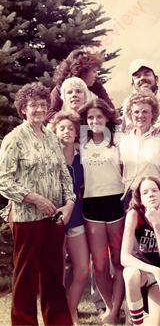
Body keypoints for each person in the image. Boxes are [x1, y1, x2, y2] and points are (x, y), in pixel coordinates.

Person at [0, 82, 75, 325]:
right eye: (33, 105)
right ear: (23, 109)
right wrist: (36, 199)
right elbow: (4, 181)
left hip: (54, 218)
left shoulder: (52, 138)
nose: (39, 109)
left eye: (43, 105)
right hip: (26, 219)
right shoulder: (14, 139)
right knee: (26, 276)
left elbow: (64, 173)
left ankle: (59, 321)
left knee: (53, 275)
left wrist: (69, 203)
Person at [78, 98, 125, 325]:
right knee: (99, 265)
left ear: (107, 118)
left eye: (99, 116)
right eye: (90, 118)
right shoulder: (82, 144)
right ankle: (110, 307)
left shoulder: (119, 141)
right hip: (92, 206)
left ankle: (115, 312)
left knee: (119, 261)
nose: (95, 121)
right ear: (85, 121)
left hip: (116, 203)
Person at [121, 176, 160, 326]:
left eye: (155, 190)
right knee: (130, 275)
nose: (151, 194)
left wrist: (157, 224)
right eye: (145, 192)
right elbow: (124, 257)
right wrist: (154, 270)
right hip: (141, 271)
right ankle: (137, 323)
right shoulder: (134, 214)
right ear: (140, 199)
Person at [50, 111, 89, 325]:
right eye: (62, 128)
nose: (67, 131)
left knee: (82, 269)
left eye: (71, 128)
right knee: (58, 269)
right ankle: (60, 313)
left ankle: (71, 309)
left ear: (77, 133)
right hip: (54, 218)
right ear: (54, 131)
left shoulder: (82, 157)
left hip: (76, 218)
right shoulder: (49, 157)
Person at [120, 93, 160, 208]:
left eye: (145, 111)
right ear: (130, 114)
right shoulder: (124, 139)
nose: (140, 115)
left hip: (153, 196)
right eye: (136, 112)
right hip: (128, 197)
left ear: (153, 115)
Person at [49, 49, 114, 119]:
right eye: (94, 71)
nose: (96, 75)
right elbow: (50, 115)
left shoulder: (96, 87)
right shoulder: (60, 89)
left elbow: (111, 111)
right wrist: (70, 116)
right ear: (82, 72)